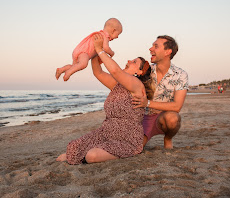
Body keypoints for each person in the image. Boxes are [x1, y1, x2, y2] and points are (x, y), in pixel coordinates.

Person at [56, 33, 154, 164]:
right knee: (71, 149)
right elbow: (98, 72)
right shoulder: (117, 85)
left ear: (139, 72)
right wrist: (94, 51)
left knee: (91, 156)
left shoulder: (137, 85)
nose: (129, 61)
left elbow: (115, 71)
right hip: (106, 133)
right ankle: (85, 154)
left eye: (134, 62)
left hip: (126, 138)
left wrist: (100, 50)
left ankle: (89, 155)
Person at [132, 35, 188, 149]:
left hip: (163, 117)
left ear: (168, 52)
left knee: (173, 119)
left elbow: (177, 106)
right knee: (134, 149)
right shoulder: (146, 71)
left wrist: (147, 103)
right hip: (143, 118)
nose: (150, 49)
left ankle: (168, 138)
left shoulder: (181, 75)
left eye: (155, 46)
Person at [55, 18, 123, 81]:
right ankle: (69, 73)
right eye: (118, 34)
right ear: (113, 30)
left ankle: (61, 69)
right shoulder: (105, 36)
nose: (117, 37)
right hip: (84, 52)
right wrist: (112, 53)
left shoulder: (99, 34)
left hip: (79, 50)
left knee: (75, 66)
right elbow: (106, 48)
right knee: (83, 64)